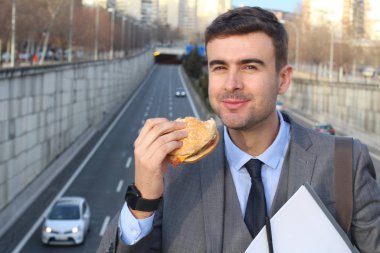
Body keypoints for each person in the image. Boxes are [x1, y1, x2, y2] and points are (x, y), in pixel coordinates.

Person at [98, 6, 380, 253]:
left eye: (249, 67)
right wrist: (143, 199)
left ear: (283, 79)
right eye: (219, 67)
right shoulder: (173, 169)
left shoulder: (345, 163)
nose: (231, 83)